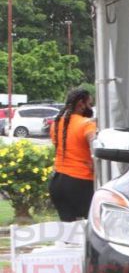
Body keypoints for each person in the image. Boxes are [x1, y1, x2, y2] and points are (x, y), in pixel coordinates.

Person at [48, 87, 97, 222]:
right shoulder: (87, 124)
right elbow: (96, 152)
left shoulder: (56, 124)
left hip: (57, 182)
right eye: (89, 104)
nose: (90, 107)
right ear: (81, 103)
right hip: (80, 181)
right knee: (91, 226)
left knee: (69, 232)